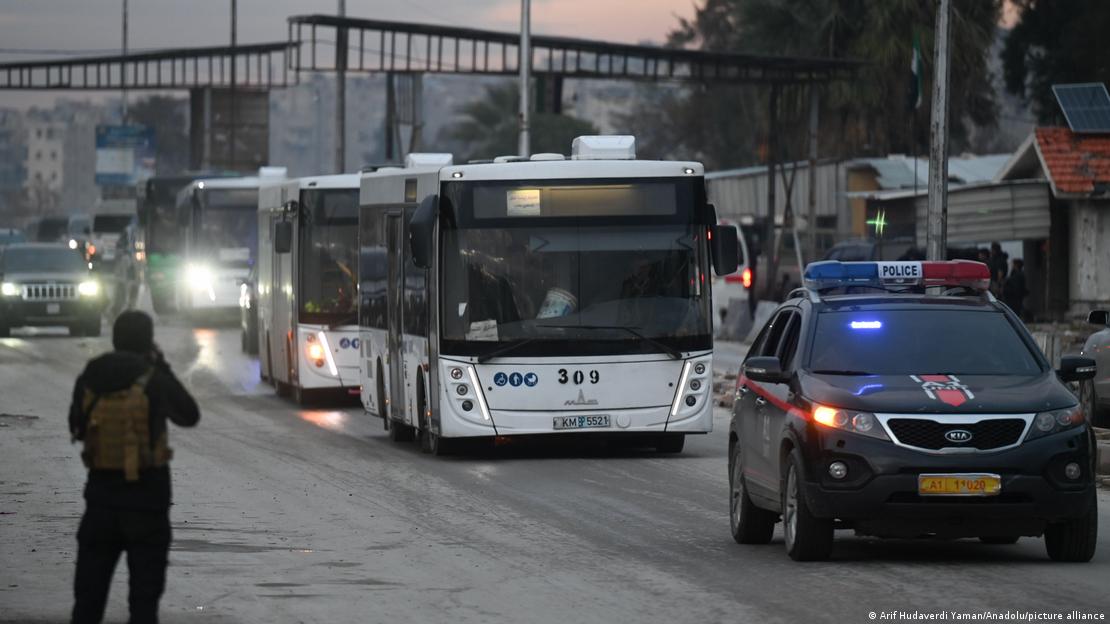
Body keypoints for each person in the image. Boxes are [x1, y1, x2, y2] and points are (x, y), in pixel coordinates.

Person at [68, 310, 200, 624]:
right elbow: (189, 415)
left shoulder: (93, 374)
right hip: (147, 507)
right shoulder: (152, 377)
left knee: (88, 602)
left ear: (115, 339)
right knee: (143, 603)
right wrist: (161, 365)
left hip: (100, 504)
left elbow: (76, 425)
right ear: (148, 341)